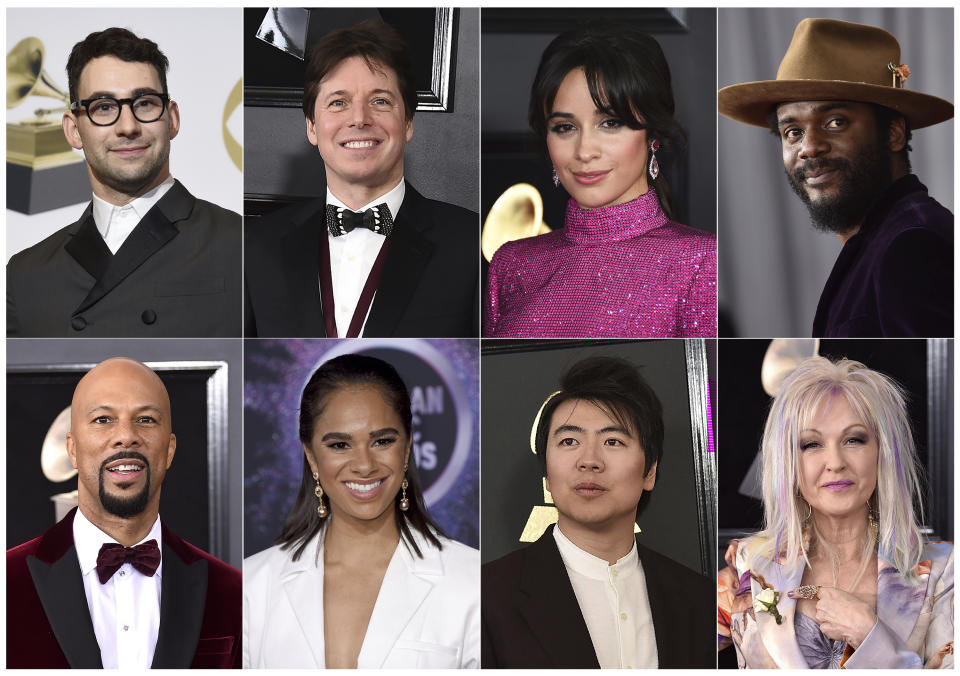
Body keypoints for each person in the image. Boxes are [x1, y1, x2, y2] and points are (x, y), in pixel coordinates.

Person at [718, 18, 954, 337]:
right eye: (793, 132)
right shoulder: (879, 240)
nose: (810, 147)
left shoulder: (912, 243)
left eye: (835, 122)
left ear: (894, 133)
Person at [244, 20, 478, 338]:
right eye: (338, 103)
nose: (359, 119)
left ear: (408, 121)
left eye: (380, 101)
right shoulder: (256, 247)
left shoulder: (468, 244)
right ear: (312, 126)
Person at [243, 354, 479, 668]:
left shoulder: (472, 580)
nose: (365, 465)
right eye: (340, 445)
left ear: (406, 449)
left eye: (382, 441)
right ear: (311, 457)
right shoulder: (252, 586)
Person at [718, 357, 953, 668]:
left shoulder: (943, 570)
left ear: (883, 452)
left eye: (854, 439)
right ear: (788, 461)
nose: (835, 461)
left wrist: (870, 635)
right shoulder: (749, 561)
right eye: (812, 444)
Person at [6, 28, 242, 338]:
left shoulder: (239, 244)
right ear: (73, 130)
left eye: (144, 103)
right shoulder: (24, 277)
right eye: (103, 108)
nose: (128, 127)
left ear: (171, 119)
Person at [6, 358, 241, 668]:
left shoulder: (233, 591)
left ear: (169, 450)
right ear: (72, 449)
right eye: (103, 419)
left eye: (145, 419)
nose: (126, 436)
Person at [484, 25, 716, 338]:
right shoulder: (511, 263)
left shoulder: (701, 261)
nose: (584, 151)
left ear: (652, 136)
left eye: (610, 123)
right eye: (565, 127)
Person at [481, 356, 714, 668]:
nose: (589, 460)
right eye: (569, 441)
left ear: (650, 472)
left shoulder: (699, 599)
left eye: (612, 441)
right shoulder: (486, 596)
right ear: (547, 474)